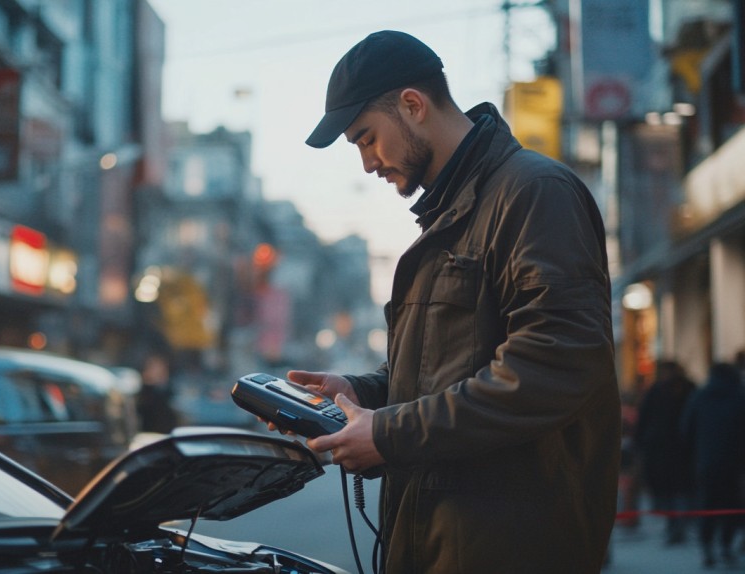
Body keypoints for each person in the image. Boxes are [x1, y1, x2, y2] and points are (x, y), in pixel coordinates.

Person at [274, 30, 622, 572]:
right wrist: (361, 392)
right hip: (439, 544)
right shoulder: (450, 218)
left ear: (412, 105)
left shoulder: (534, 193)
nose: (367, 164)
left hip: (509, 550)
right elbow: (449, 371)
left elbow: (554, 367)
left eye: (366, 139)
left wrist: (389, 433)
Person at [680, 362, 745, 568]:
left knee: (707, 504)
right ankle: (726, 545)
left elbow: (686, 429)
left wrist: (693, 456)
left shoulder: (700, 396)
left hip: (706, 461)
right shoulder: (740, 396)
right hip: (735, 464)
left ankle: (707, 546)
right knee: (731, 505)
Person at [634, 360, 696, 544]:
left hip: (662, 451)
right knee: (681, 489)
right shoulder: (690, 389)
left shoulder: (657, 390)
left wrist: (641, 442)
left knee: (669, 490)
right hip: (683, 451)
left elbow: (644, 419)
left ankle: (675, 526)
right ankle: (679, 526)